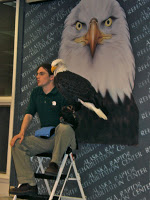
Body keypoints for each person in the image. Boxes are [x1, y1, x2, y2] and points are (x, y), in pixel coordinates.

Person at [9, 63, 77, 196]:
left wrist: (68, 115)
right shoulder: (36, 93)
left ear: (51, 77)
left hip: (64, 139)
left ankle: (54, 164)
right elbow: (29, 114)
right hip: (46, 139)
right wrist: (22, 132)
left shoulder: (61, 93)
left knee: (64, 128)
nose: (37, 77)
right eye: (36, 74)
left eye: (41, 74)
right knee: (17, 144)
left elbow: (72, 121)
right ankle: (29, 185)